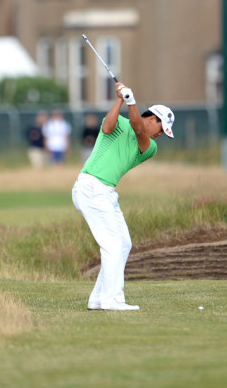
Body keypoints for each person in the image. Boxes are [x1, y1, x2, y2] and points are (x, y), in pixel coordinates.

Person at [71, 82, 174, 311]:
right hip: (91, 186)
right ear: (152, 118)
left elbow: (138, 130)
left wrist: (131, 101)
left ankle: (98, 298)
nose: (160, 135)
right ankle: (112, 299)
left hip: (106, 193)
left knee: (123, 244)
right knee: (113, 245)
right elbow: (107, 128)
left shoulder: (150, 147)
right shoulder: (120, 122)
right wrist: (120, 99)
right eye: (161, 128)